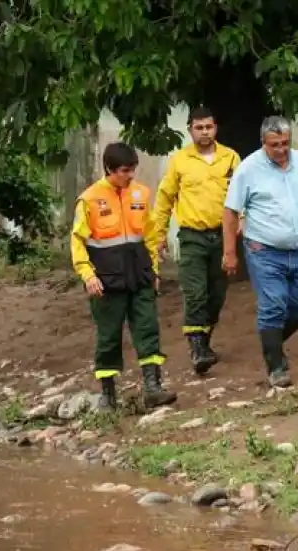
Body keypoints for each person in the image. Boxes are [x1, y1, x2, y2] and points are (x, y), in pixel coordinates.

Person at [71, 141, 178, 412]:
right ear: (109, 169)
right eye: (124, 171)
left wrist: (153, 270)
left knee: (148, 329)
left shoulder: (141, 194)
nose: (130, 176)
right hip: (106, 281)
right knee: (108, 336)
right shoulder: (89, 199)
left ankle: (153, 388)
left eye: (132, 170)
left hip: (140, 276)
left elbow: (151, 236)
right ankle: (108, 396)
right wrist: (88, 276)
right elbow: (78, 242)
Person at [222, 116, 298, 388]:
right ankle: (275, 366)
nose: (281, 150)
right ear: (263, 143)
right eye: (274, 145)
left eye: (285, 143)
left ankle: (272, 341)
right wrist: (229, 252)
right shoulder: (248, 169)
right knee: (273, 304)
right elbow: (230, 211)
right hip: (264, 250)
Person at [151, 106, 241, 375]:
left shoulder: (231, 158)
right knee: (195, 293)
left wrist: (244, 224)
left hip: (223, 236)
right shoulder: (180, 161)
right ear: (190, 129)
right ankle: (197, 349)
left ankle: (204, 341)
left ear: (216, 128)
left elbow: (243, 195)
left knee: (217, 294)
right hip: (192, 237)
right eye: (199, 128)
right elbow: (165, 199)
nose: (204, 132)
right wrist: (158, 236)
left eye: (209, 127)